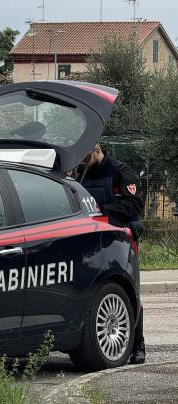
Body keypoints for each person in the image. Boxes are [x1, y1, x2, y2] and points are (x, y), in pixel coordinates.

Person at [76, 143, 146, 365]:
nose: (83, 165)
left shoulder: (121, 172)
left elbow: (134, 205)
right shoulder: (82, 174)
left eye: (86, 159)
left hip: (121, 237)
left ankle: (138, 346)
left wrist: (101, 209)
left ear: (96, 151)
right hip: (93, 238)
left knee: (129, 290)